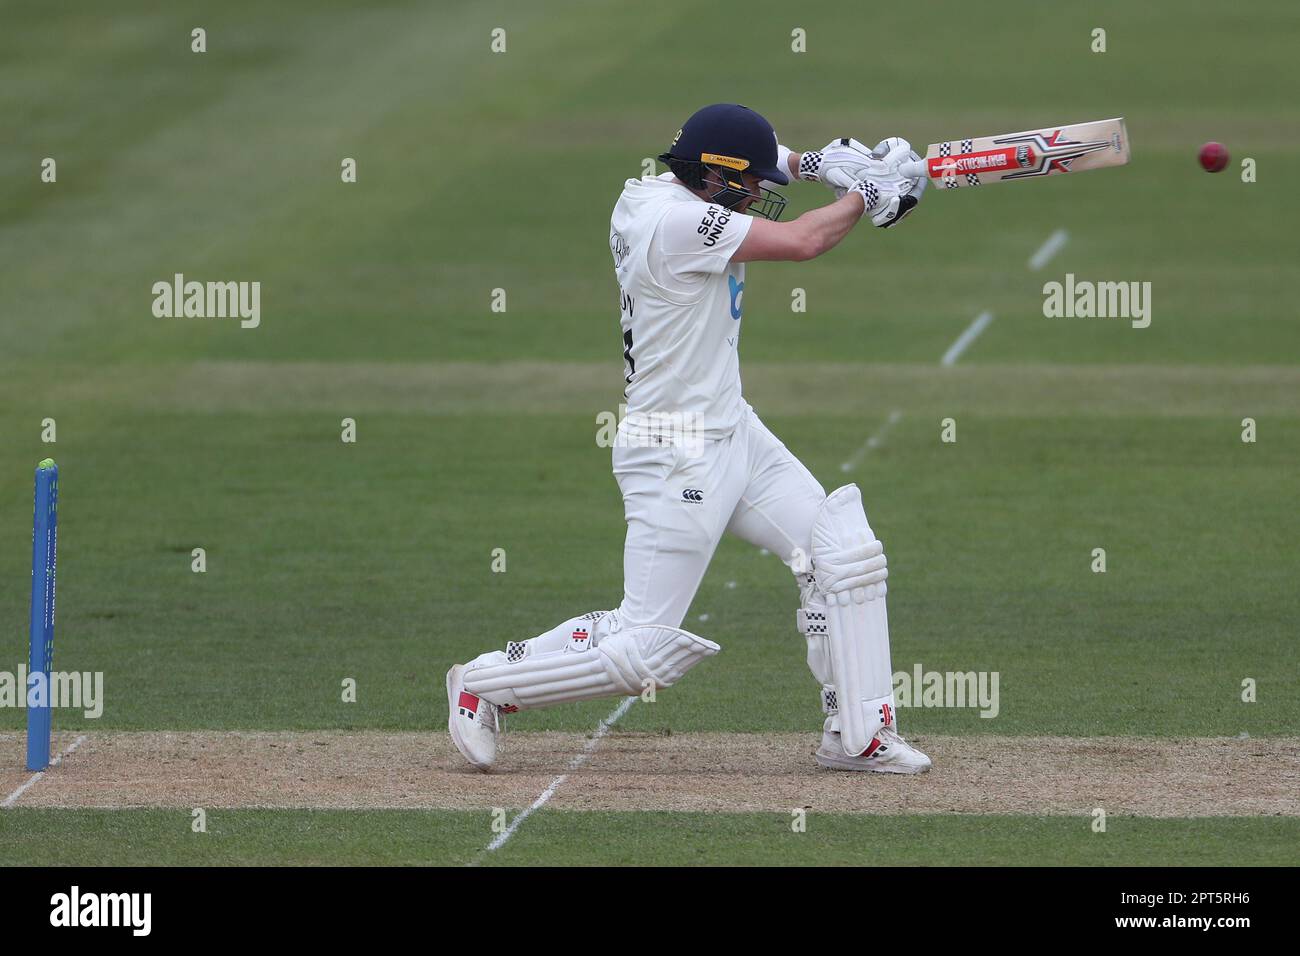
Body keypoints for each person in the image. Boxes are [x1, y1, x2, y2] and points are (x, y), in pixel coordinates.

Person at [447, 103, 930, 774]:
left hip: (735, 429)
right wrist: (866, 192)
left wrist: (818, 163)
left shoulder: (677, 185)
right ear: (714, 177)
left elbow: (755, 155)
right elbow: (804, 243)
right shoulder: (670, 222)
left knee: (841, 554)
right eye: (751, 183)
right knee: (643, 647)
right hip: (673, 448)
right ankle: (482, 684)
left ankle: (858, 734)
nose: (761, 192)